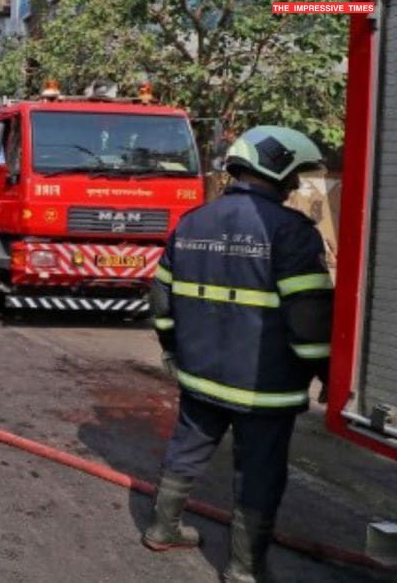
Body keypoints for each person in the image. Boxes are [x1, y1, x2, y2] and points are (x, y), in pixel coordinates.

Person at [143, 126, 334, 582]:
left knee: (186, 451)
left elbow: (161, 298)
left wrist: (172, 348)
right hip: (265, 389)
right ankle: (244, 570)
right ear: (278, 168)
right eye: (293, 178)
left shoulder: (193, 222)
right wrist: (326, 371)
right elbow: (308, 324)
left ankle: (161, 527)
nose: (294, 188)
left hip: (199, 375)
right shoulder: (293, 233)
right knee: (259, 474)